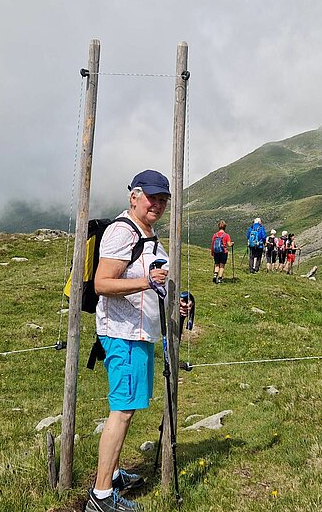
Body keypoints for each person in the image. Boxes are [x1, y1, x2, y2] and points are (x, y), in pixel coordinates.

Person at [85, 170, 190, 512]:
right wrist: (146, 282)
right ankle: (100, 497)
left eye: (163, 199)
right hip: (121, 334)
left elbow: (154, 282)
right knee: (122, 411)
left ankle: (113, 476)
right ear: (134, 196)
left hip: (140, 333)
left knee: (128, 409)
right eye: (152, 198)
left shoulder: (150, 235)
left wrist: (178, 300)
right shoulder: (121, 232)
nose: (158, 204)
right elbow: (102, 283)